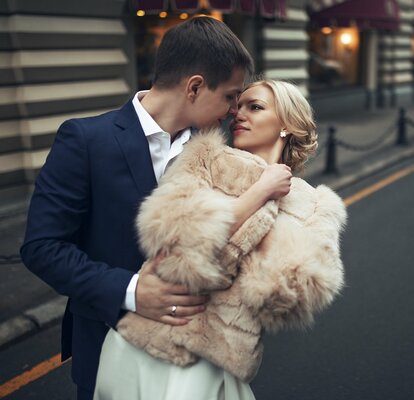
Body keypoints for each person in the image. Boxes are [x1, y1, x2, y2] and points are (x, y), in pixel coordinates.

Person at [20, 17, 293, 400]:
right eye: (231, 96)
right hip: (108, 348)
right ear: (195, 86)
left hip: (196, 367)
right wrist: (131, 290)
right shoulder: (85, 140)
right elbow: (42, 247)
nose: (234, 110)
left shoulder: (219, 149)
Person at [93, 80, 347, 399]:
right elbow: (174, 252)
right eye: (237, 105)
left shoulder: (316, 205)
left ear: (287, 125)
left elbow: (286, 296)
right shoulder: (204, 158)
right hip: (144, 343)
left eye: (254, 107)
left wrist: (214, 244)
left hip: (213, 364)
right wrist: (259, 193)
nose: (238, 113)